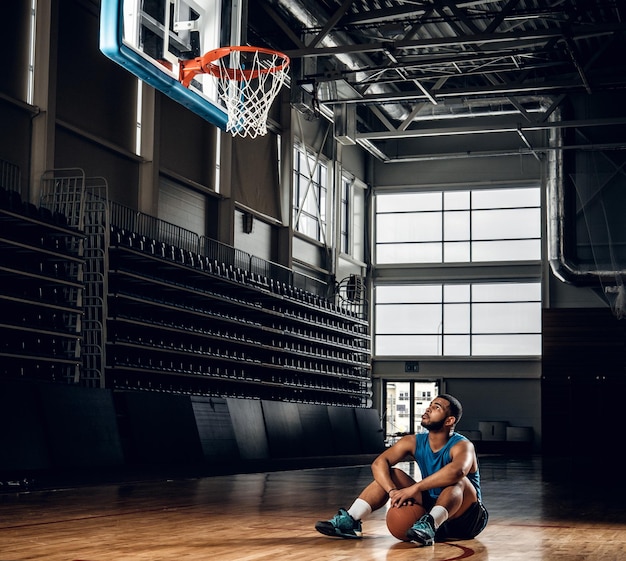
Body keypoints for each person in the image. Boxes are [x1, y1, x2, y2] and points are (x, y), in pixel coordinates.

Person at [314, 394, 488, 546]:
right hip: (433, 505)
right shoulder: (413, 441)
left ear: (449, 421)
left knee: (458, 481)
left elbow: (457, 472)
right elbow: (379, 463)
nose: (428, 409)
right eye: (429, 405)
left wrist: (413, 489)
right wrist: (393, 491)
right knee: (392, 474)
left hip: (466, 518)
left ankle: (430, 524)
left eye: (436, 407)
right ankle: (351, 520)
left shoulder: (463, 445)